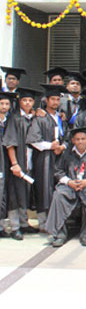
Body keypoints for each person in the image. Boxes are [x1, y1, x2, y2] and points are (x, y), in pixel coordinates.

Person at [46, 127, 86, 247]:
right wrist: (69, 182)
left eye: (83, 139)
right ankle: (60, 233)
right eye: (77, 139)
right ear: (73, 140)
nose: (80, 142)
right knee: (59, 195)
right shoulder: (66, 154)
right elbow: (58, 171)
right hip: (70, 185)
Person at [26, 84, 68, 232]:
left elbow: (67, 137)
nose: (55, 102)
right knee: (43, 188)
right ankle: (44, 223)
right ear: (46, 100)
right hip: (43, 158)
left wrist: (62, 147)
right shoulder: (40, 118)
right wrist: (51, 146)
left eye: (57, 99)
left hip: (59, 158)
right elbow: (33, 140)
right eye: (53, 99)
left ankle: (57, 220)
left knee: (57, 187)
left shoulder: (60, 118)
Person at [2, 88, 41, 240]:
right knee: (15, 193)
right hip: (19, 161)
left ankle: (24, 223)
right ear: (19, 102)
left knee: (25, 192)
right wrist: (14, 164)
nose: (27, 103)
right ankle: (15, 226)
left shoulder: (35, 118)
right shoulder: (15, 118)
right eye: (24, 100)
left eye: (30, 100)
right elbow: (10, 143)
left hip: (30, 161)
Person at [0, 91, 14, 237]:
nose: (4, 106)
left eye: (7, 104)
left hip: (6, 160)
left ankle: (1, 226)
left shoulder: (10, 121)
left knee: (3, 193)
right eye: (2, 103)